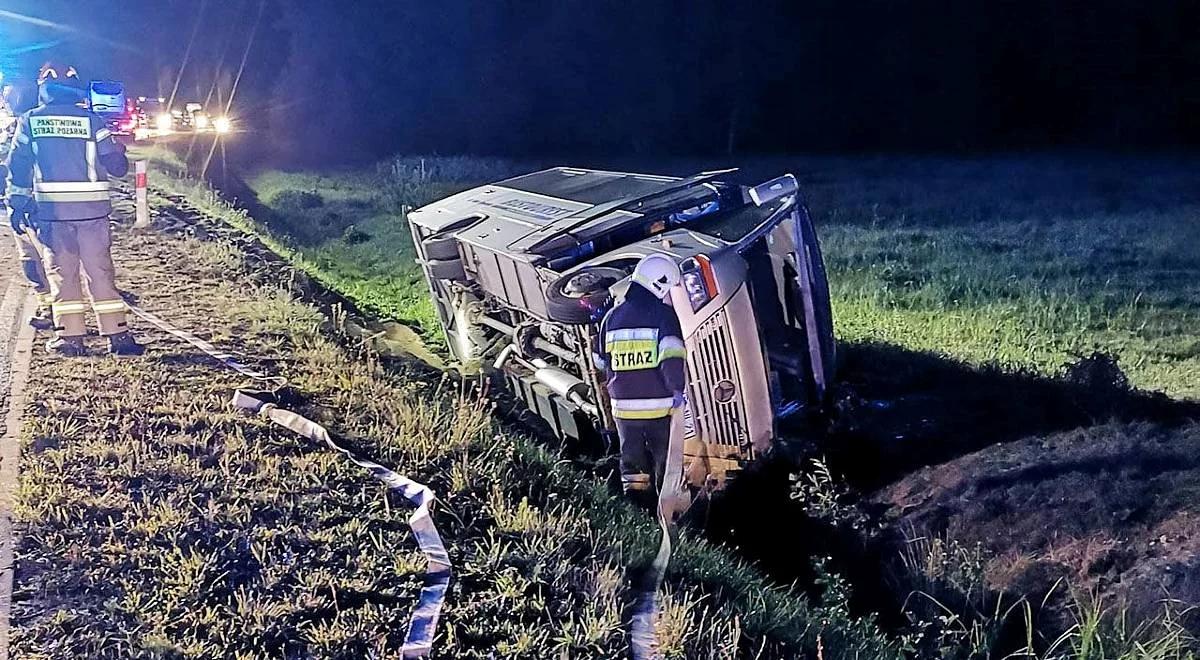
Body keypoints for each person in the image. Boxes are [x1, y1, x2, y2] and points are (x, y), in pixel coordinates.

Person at [5, 62, 143, 356]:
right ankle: (118, 337)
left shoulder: (30, 121)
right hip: (93, 214)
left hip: (53, 216)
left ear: (43, 88)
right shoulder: (92, 121)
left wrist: (16, 204)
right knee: (101, 272)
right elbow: (116, 166)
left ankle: (70, 339)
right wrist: (120, 153)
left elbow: (18, 166)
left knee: (61, 275)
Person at [592, 253, 688, 505]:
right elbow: (672, 358)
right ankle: (667, 508)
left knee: (632, 460)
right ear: (660, 284)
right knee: (665, 461)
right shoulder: (663, 316)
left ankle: (637, 506)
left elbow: (601, 361)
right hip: (659, 407)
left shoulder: (611, 317)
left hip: (623, 409)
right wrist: (678, 391)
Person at [1, 90, 54, 330]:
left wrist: (20, 200)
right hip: (17, 202)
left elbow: (21, 164)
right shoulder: (10, 126)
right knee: (31, 263)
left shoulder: (29, 124)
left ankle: (58, 311)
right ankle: (48, 306)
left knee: (48, 259)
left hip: (33, 204)